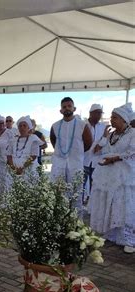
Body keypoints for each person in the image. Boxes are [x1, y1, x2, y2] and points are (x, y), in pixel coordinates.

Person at [90, 103, 134, 254]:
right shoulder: (111, 135)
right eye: (111, 117)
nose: (112, 120)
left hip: (123, 176)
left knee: (122, 204)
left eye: (115, 117)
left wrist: (114, 158)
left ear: (124, 120)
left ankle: (128, 239)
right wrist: (103, 138)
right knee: (110, 203)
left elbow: (132, 153)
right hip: (108, 175)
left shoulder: (133, 133)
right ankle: (111, 234)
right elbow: (97, 151)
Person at [50, 97, 93, 209]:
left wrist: (76, 152)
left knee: (76, 193)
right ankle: (60, 219)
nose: (67, 109)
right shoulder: (55, 126)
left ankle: (75, 222)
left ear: (74, 108)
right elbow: (53, 141)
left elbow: (88, 143)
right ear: (60, 110)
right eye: (64, 107)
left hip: (76, 163)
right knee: (58, 192)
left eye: (69, 106)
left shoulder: (82, 125)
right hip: (59, 163)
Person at [83, 104, 107, 203]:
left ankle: (93, 206)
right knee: (81, 183)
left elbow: (105, 142)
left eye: (100, 113)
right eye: (97, 113)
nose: (99, 115)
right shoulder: (83, 125)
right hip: (84, 160)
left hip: (97, 160)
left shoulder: (103, 127)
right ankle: (80, 203)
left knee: (96, 184)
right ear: (91, 113)